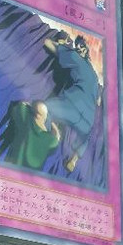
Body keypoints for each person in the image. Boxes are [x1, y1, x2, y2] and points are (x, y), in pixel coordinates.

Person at [43, 32, 102, 172]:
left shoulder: (75, 57)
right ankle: (73, 160)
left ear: (83, 50)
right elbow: (98, 101)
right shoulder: (94, 76)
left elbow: (47, 43)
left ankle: (53, 133)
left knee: (45, 108)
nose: (79, 48)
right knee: (85, 135)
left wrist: (61, 44)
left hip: (71, 107)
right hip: (86, 122)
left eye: (80, 46)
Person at [1, 100, 61, 171]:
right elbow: (57, 137)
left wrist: (30, 106)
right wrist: (53, 125)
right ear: (45, 117)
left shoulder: (24, 120)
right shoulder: (51, 141)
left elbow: (21, 104)